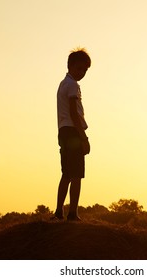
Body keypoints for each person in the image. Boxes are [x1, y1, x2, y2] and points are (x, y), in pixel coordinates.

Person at [54, 48, 91, 221]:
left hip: (63, 131)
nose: (82, 73)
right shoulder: (72, 86)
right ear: (70, 66)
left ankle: (59, 210)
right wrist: (84, 138)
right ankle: (73, 213)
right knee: (76, 174)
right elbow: (74, 113)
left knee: (67, 173)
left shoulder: (63, 83)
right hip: (72, 131)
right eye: (79, 69)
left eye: (85, 70)